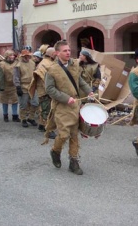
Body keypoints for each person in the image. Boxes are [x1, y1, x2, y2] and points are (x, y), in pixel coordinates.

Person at [45, 40, 94, 175]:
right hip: (62, 106)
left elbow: (79, 81)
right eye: (64, 51)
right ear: (57, 53)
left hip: (76, 104)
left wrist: (89, 90)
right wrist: (66, 98)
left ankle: (74, 162)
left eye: (69, 50)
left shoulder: (75, 65)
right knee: (63, 134)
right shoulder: (52, 69)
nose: (68, 53)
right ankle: (55, 151)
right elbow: (49, 89)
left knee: (74, 135)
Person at [29, 47, 57, 139]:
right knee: (47, 110)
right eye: (55, 53)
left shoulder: (49, 62)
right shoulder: (44, 64)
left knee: (44, 108)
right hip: (45, 91)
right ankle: (49, 130)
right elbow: (43, 78)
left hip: (47, 90)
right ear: (52, 54)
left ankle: (41, 125)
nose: (57, 55)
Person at [13, 49, 39, 128]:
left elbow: (35, 73)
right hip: (23, 86)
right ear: (22, 56)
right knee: (23, 105)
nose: (27, 57)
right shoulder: (18, 65)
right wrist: (18, 87)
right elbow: (16, 77)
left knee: (35, 103)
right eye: (26, 56)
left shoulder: (32, 63)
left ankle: (31, 118)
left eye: (28, 56)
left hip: (32, 86)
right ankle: (23, 119)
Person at [0, 50, 20, 122]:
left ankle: (15, 115)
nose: (12, 56)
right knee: (5, 101)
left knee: (15, 101)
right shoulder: (2, 64)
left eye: (13, 55)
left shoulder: (16, 63)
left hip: (14, 85)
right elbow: (0, 76)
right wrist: (1, 86)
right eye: (10, 55)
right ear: (7, 56)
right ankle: (5, 115)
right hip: (5, 85)